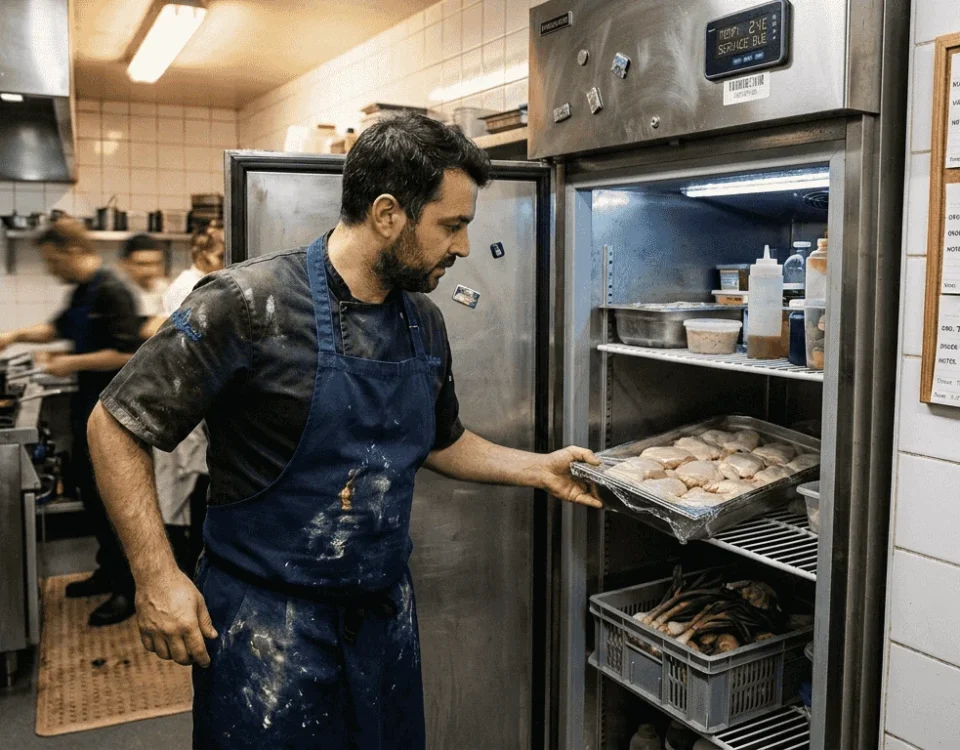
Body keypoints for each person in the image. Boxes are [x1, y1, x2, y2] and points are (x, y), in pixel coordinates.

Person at [86, 114, 602, 748]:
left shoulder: (423, 322)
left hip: (381, 619)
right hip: (263, 626)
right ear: (387, 214)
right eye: (452, 225)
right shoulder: (245, 304)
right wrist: (156, 576)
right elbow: (115, 424)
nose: (464, 247)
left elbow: (441, 441)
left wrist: (540, 468)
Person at [0, 220, 140, 626]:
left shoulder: (112, 290)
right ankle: (107, 570)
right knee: (90, 493)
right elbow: (55, 329)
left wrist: (70, 362)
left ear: (72, 251)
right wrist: (12, 336)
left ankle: (128, 589)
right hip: (87, 409)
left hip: (114, 414)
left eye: (52, 260)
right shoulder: (82, 290)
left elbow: (128, 353)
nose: (50, 269)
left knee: (113, 503)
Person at [147, 229, 226, 574]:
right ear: (205, 255)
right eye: (222, 255)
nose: (226, 262)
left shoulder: (198, 282)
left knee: (188, 491)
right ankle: (183, 574)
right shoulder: (189, 288)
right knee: (185, 495)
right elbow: (194, 350)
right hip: (186, 408)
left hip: (191, 406)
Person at [115, 233, 167, 333]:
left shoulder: (166, 289)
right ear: (124, 264)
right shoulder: (116, 294)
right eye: (142, 264)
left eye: (156, 263)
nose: (151, 270)